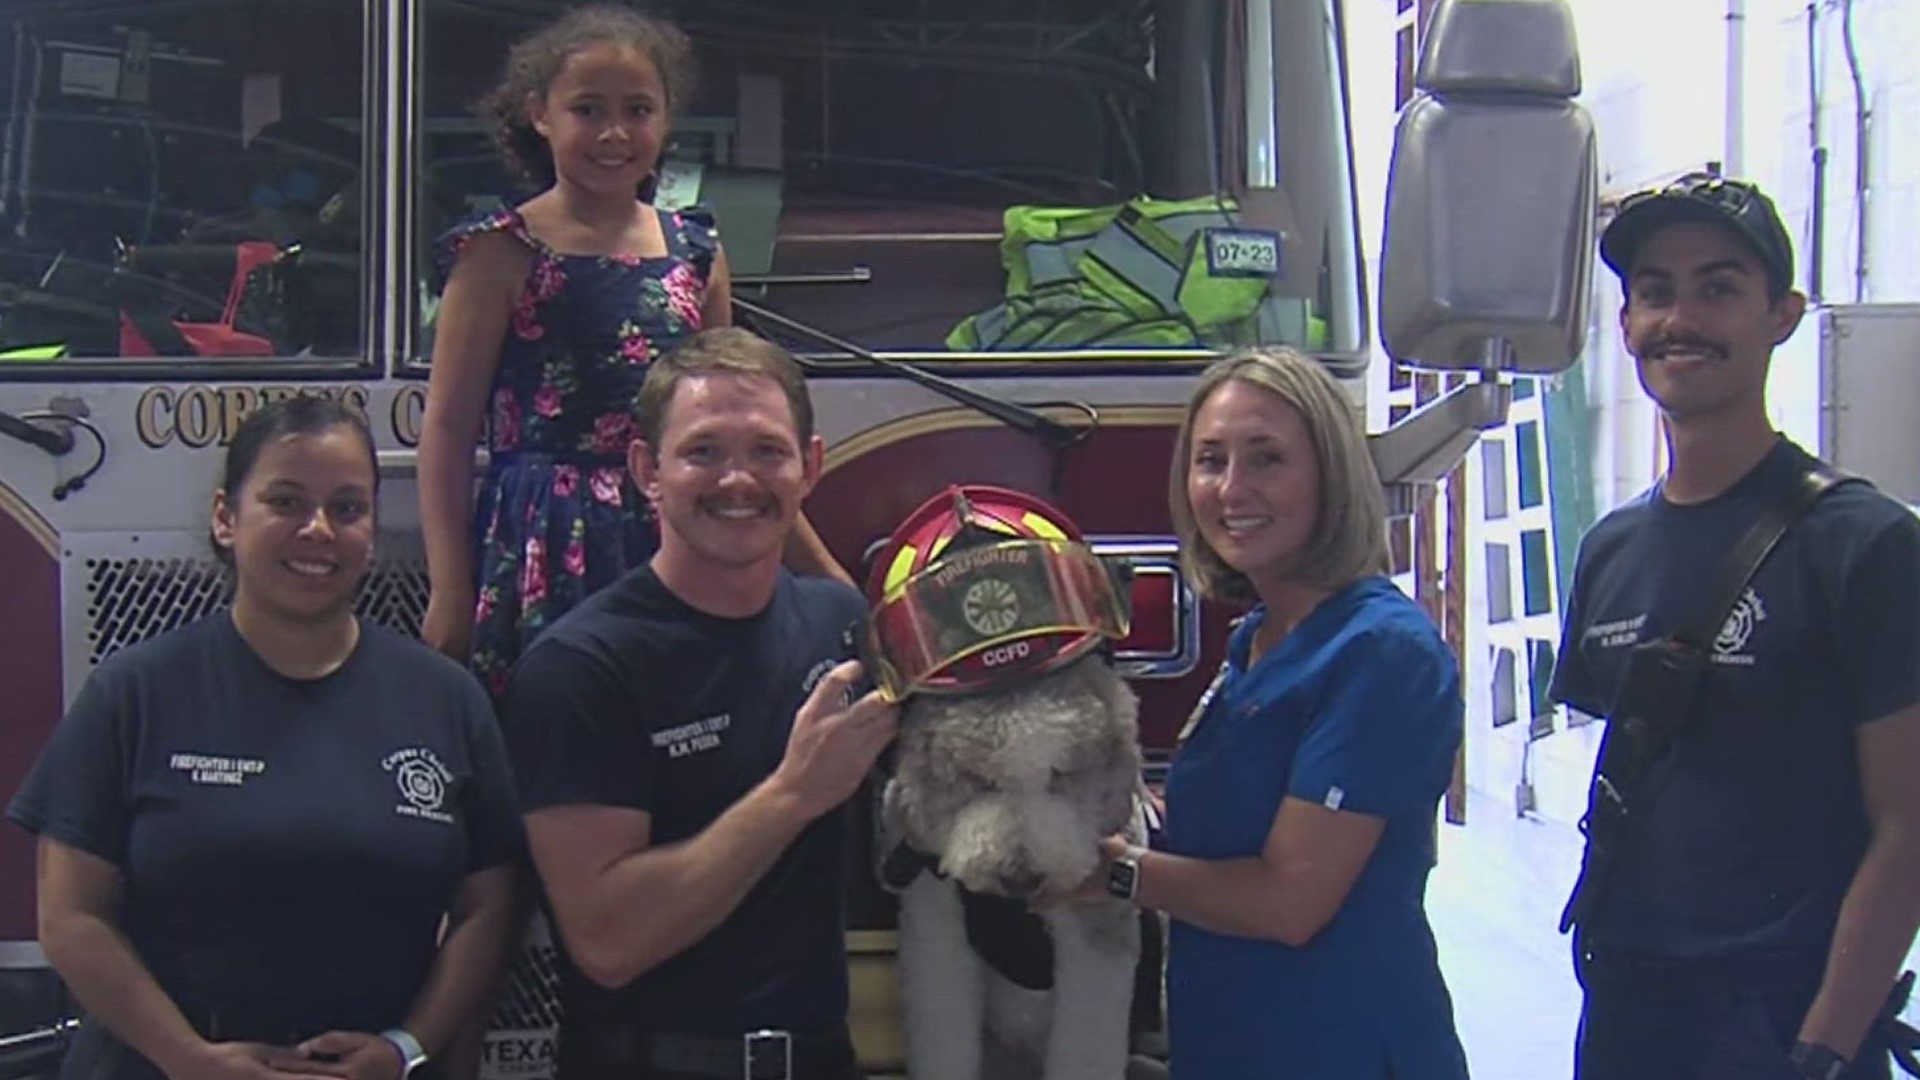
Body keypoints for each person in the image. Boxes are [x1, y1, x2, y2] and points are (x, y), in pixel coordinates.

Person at [5, 395, 522, 1080]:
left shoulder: (445, 700)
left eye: (346, 508)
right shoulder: (133, 693)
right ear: (226, 517)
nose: (318, 530)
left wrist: (406, 1047)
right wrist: (189, 1060)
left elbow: (491, 905)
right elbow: (71, 918)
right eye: (285, 502)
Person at [1552, 172, 1920, 1080]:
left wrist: (1827, 1048)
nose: (1683, 319)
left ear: (1782, 315)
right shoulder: (1611, 549)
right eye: (1657, 292)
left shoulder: (1867, 546)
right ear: (1629, 321)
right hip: (1627, 1014)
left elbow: (1909, 825)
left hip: (1782, 1025)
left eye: (1720, 287)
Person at [497, 326, 899, 1080]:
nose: (739, 481)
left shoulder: (838, 624)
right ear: (648, 469)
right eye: (704, 451)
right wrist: (793, 793)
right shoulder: (581, 668)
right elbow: (608, 943)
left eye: (768, 452)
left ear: (809, 467)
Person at [1061, 345, 1469, 1080]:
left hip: (1340, 1047)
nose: (1231, 488)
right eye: (1210, 460)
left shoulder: (1381, 653)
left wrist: (1116, 874)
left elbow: (1291, 900)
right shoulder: (1259, 637)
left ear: (1330, 479)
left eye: (1267, 458)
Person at [417, 4, 847, 695]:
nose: (614, 133)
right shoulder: (499, 250)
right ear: (539, 114)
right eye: (587, 109)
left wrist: (825, 576)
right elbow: (445, 430)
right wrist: (448, 589)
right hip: (543, 545)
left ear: (667, 117)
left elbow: (735, 429)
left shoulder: (696, 252)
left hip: (680, 536)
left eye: (638, 109)